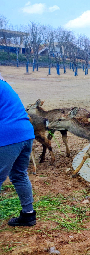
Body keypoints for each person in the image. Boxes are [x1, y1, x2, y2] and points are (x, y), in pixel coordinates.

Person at [0, 72, 36, 226]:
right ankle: (28, 215)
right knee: (19, 174)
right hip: (26, 133)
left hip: (9, 136)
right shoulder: (3, 84)